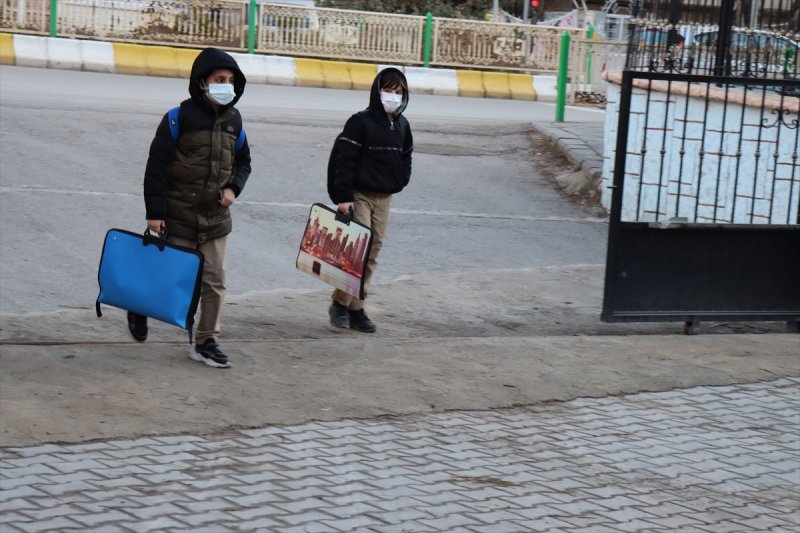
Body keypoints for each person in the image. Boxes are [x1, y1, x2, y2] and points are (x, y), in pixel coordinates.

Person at [127, 47, 252, 369]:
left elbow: (244, 162)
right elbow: (156, 168)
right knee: (171, 281)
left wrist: (233, 187)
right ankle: (139, 306)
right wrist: (154, 214)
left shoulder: (235, 121)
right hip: (178, 216)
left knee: (215, 281)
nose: (227, 85)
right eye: (219, 79)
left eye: (231, 80)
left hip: (215, 220)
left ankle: (206, 340)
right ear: (202, 83)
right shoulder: (177, 118)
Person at [327, 67, 413, 332]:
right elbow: (343, 160)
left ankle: (355, 308)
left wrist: (400, 180)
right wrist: (343, 197)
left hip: (384, 197)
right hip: (359, 194)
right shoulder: (360, 122)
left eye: (398, 92)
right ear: (377, 91)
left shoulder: (402, 125)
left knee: (372, 252)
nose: (393, 96)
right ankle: (342, 304)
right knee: (357, 250)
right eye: (388, 90)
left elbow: (406, 156)